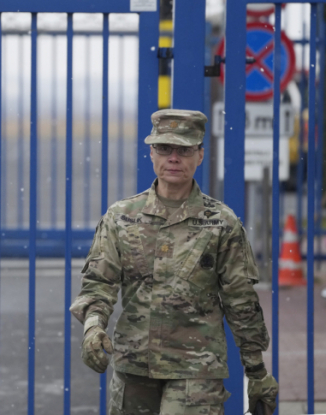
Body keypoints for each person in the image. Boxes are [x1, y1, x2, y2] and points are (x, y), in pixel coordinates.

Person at [70, 109, 278, 415]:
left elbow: (240, 302)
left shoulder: (221, 222)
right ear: (151, 154)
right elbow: (98, 284)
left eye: (184, 149)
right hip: (135, 366)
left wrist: (257, 372)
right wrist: (92, 327)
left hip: (197, 370)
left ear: (200, 155)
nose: (174, 158)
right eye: (164, 148)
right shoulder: (122, 217)